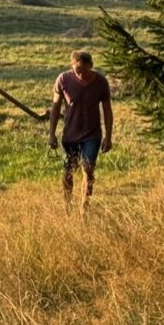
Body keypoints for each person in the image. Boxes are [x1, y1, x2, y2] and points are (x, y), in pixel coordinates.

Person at [48, 49, 114, 213]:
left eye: (85, 71)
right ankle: (67, 204)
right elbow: (55, 107)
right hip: (70, 134)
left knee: (88, 168)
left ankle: (84, 207)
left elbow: (107, 110)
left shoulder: (101, 82)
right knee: (68, 171)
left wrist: (108, 136)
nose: (81, 76)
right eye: (78, 72)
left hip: (92, 134)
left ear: (91, 66)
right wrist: (51, 134)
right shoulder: (63, 80)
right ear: (72, 67)